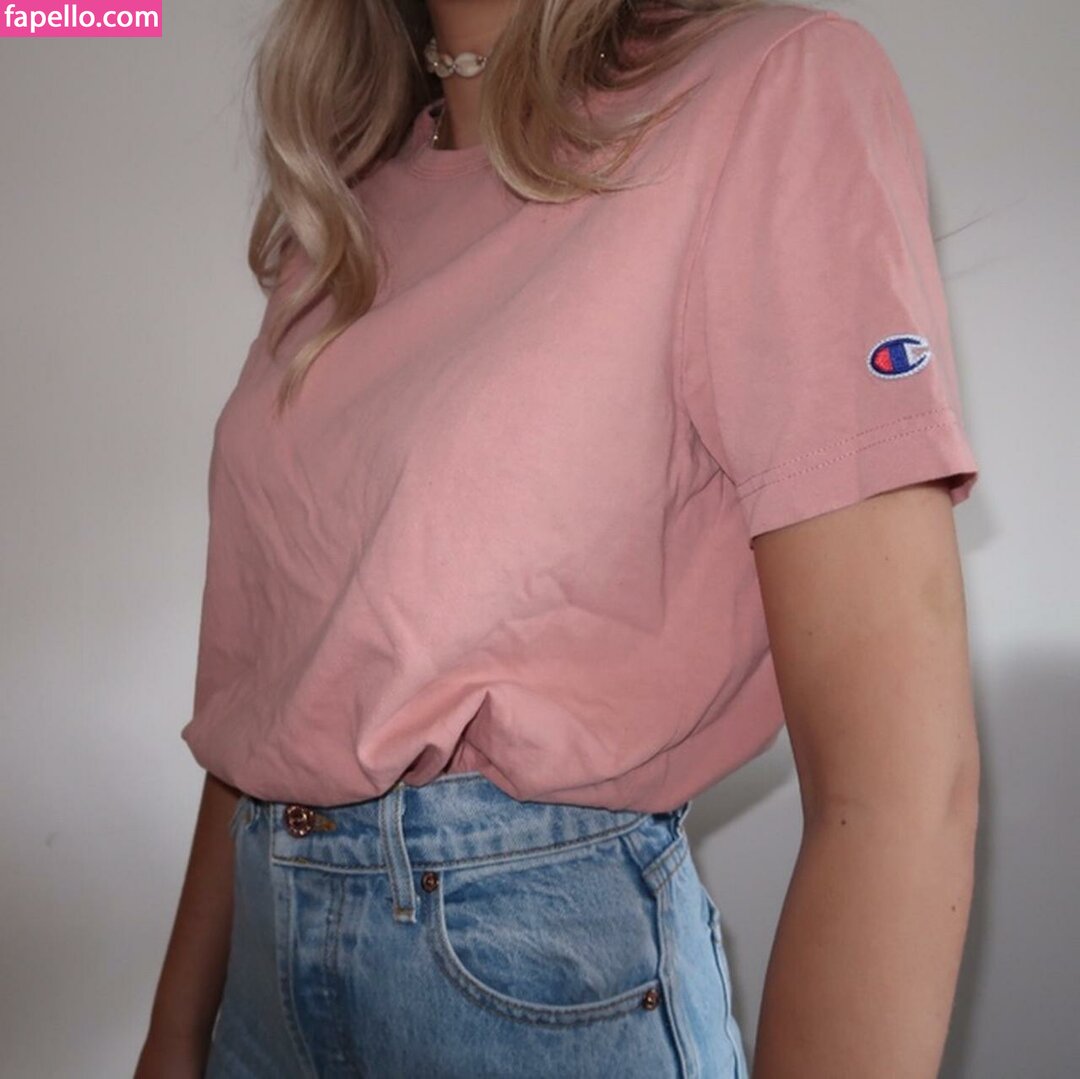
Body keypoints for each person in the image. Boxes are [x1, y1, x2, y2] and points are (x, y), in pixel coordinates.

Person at [136, 0, 982, 1075]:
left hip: (528, 991)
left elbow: (901, 791)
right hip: (260, 976)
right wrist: (176, 1034)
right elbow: (274, 701)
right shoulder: (348, 188)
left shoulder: (771, 86)